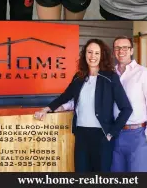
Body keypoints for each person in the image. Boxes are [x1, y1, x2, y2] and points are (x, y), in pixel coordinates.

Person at [34, 39, 132, 172]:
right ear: (85, 54)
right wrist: (46, 109)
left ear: (102, 55)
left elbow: (126, 108)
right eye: (90, 52)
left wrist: (112, 133)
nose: (93, 56)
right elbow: (64, 97)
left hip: (102, 136)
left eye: (97, 53)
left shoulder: (110, 78)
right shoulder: (78, 77)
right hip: (81, 135)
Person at [111, 36, 147, 172]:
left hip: (137, 134)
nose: (121, 51)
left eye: (125, 47)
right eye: (117, 48)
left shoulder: (144, 73)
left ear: (131, 50)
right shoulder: (110, 74)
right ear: (114, 51)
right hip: (115, 134)